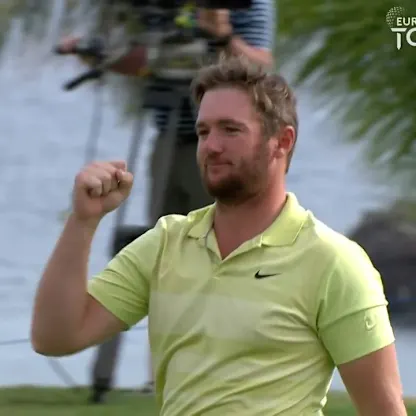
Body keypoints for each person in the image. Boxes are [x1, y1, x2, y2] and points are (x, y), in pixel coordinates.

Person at [31, 55, 406, 415]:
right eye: (203, 131)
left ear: (282, 141)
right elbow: (55, 337)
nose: (211, 146)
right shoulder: (165, 244)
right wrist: (83, 222)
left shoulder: (334, 262)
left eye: (231, 129)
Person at [58, 0, 275, 402]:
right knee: (169, 258)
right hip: (168, 139)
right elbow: (150, 60)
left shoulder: (244, 6)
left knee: (227, 258)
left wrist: (223, 36)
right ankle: (162, 376)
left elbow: (261, 67)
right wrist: (101, 53)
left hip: (227, 147)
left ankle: (232, 374)